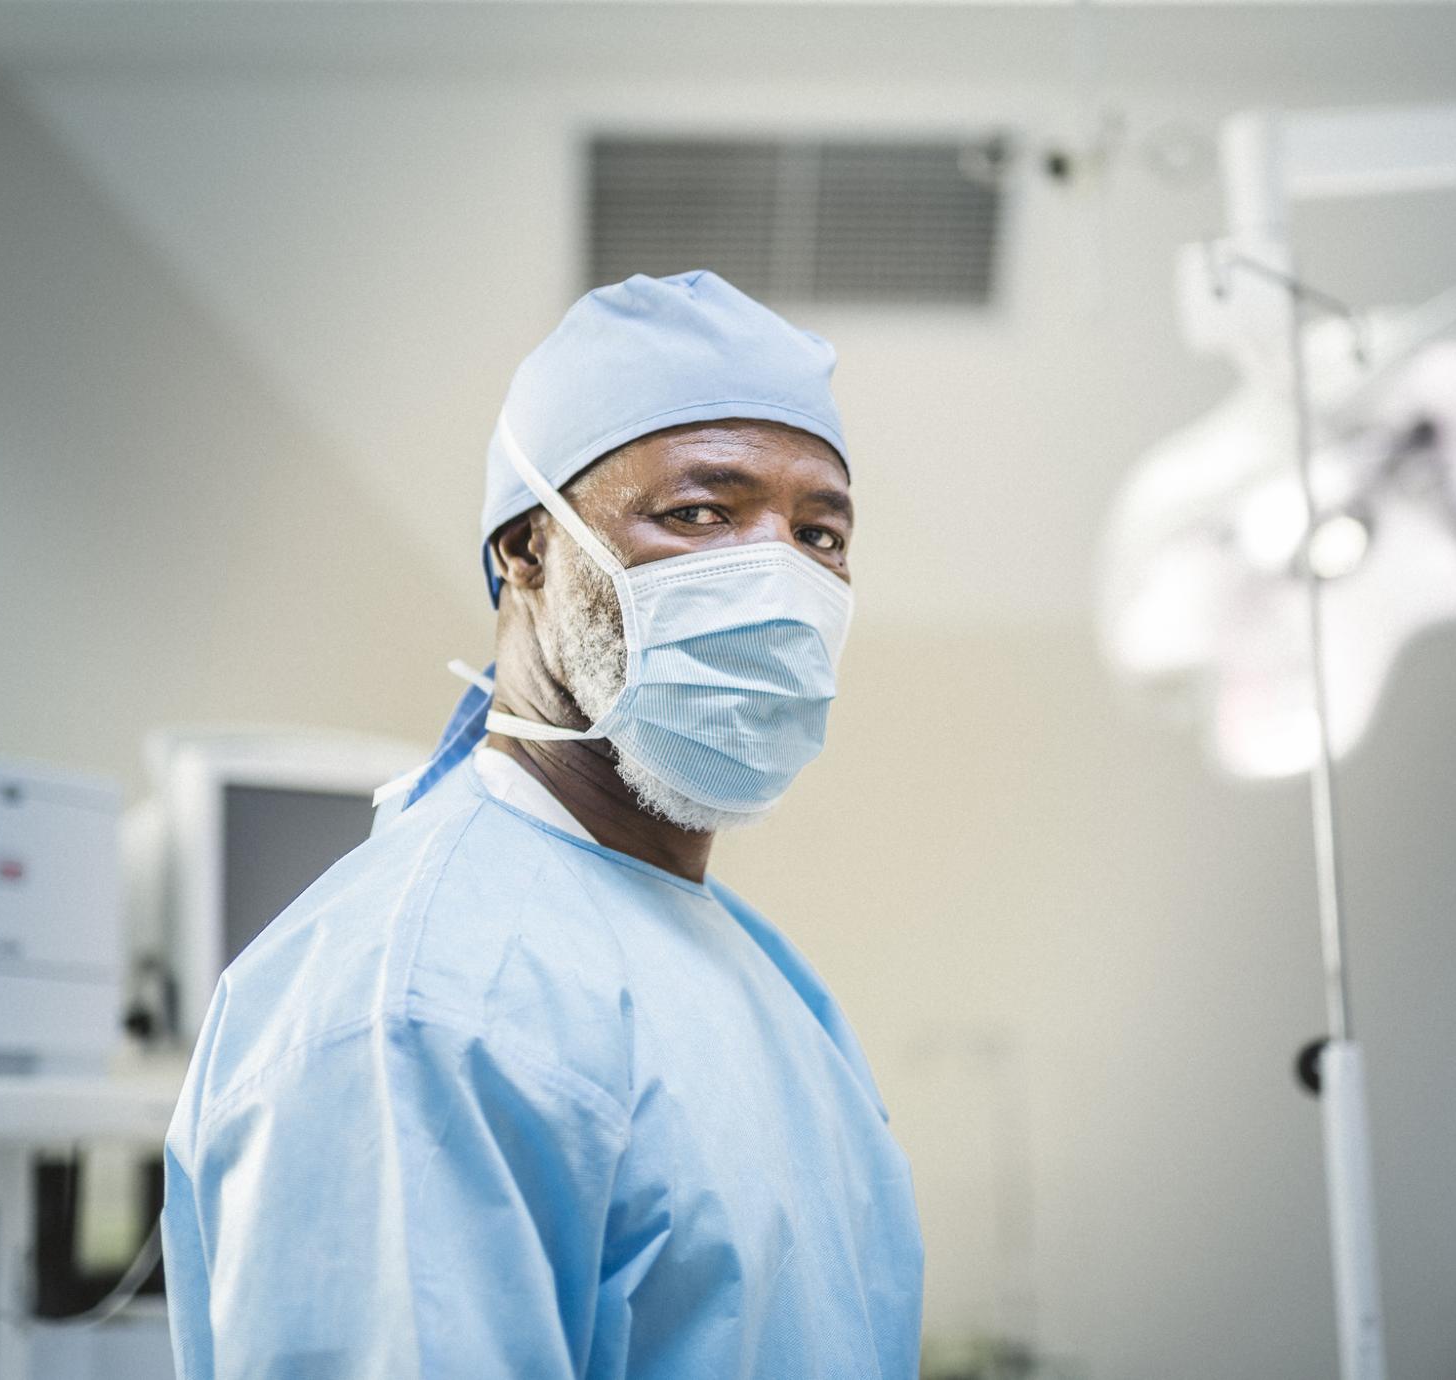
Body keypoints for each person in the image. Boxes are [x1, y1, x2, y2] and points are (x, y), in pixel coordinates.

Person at [161, 271, 924, 1379]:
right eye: (699, 513)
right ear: (528, 547)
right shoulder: (422, 1004)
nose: (776, 577)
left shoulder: (746, 968)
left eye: (818, 534)